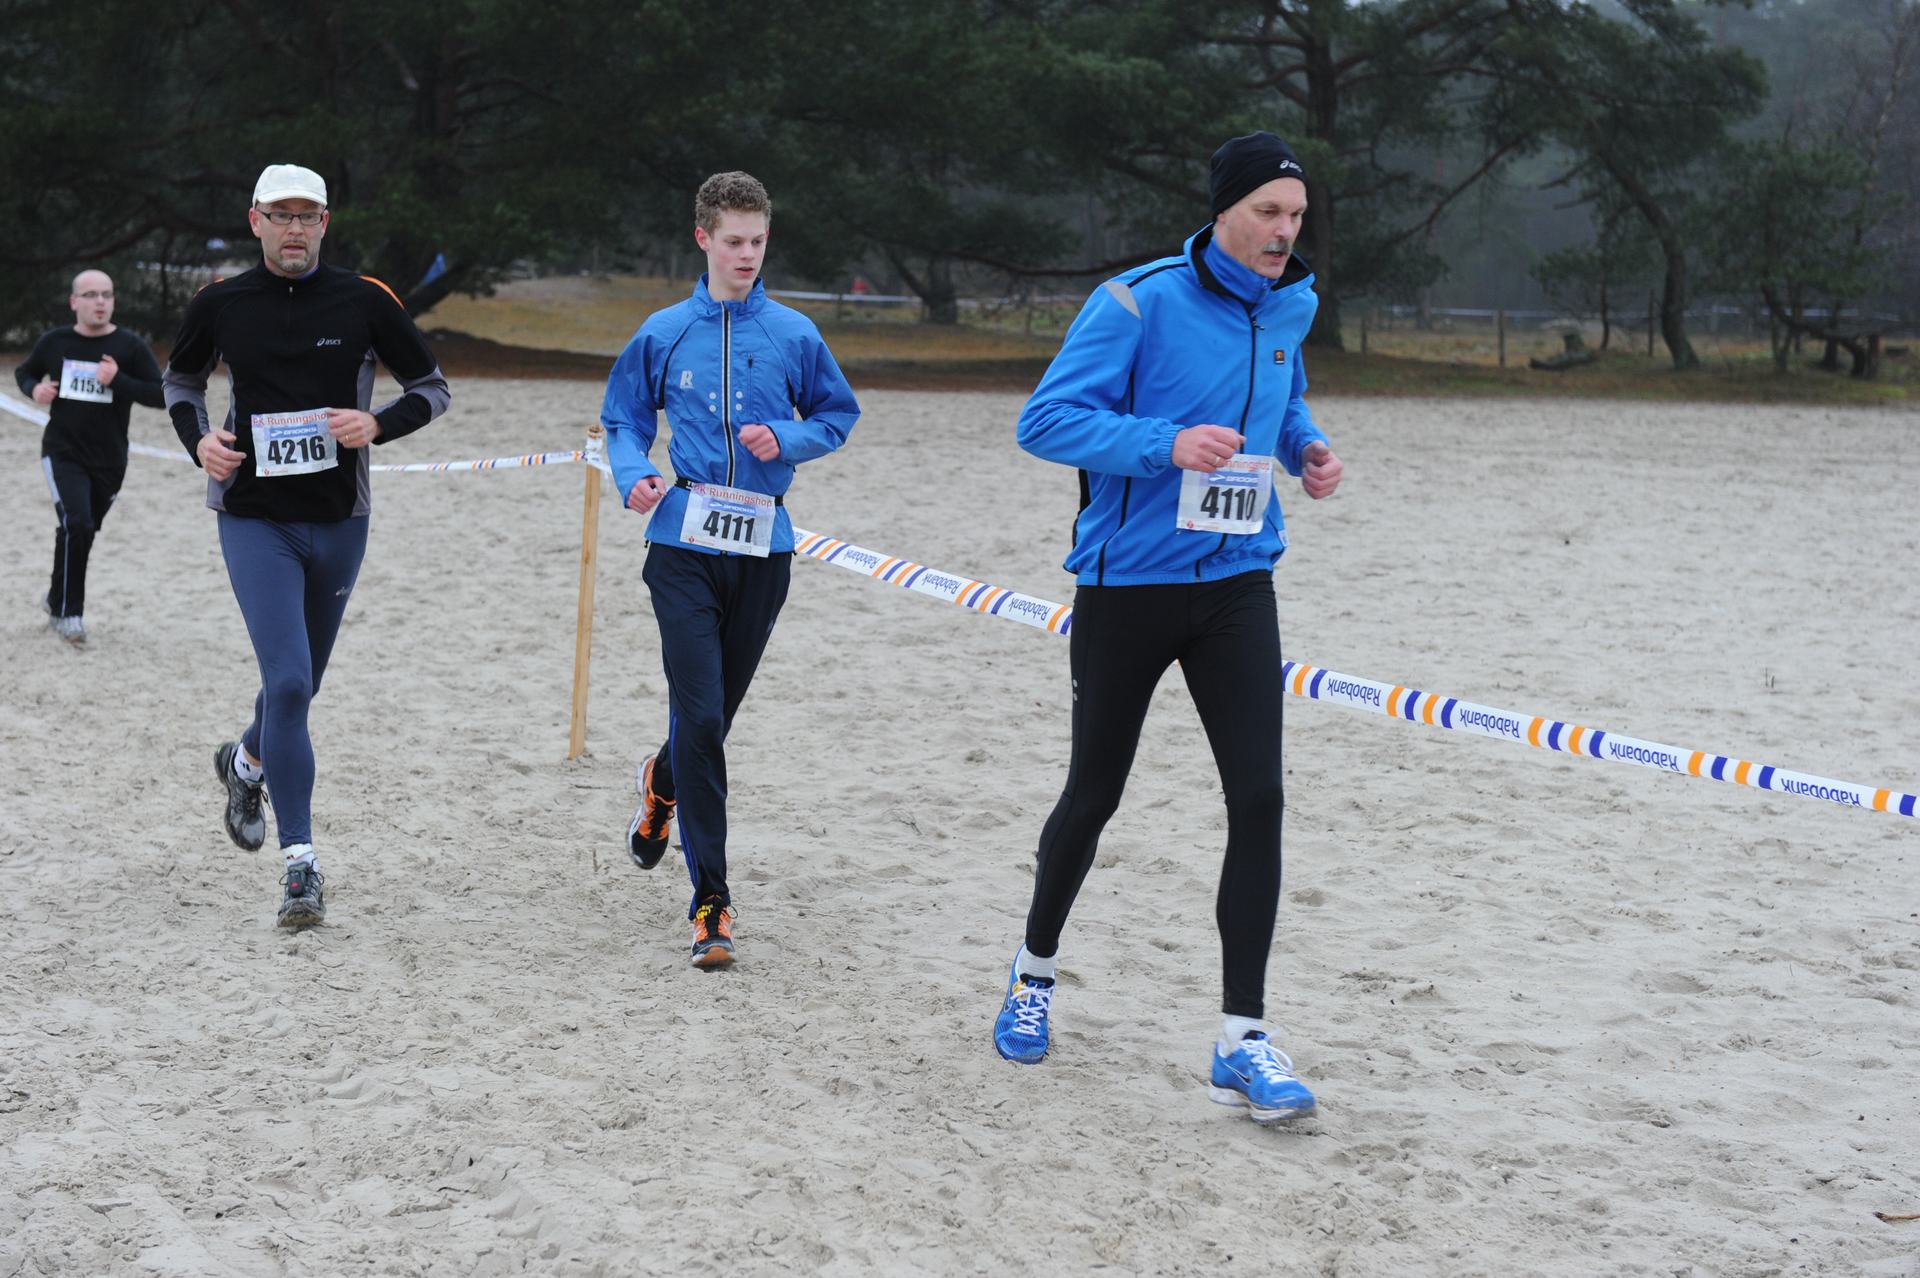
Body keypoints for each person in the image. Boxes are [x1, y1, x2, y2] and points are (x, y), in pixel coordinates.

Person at [989, 132, 1345, 1123]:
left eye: (1296, 216)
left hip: (1238, 582)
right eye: (1268, 212)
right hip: (1128, 584)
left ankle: (1243, 1039)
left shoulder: (1292, 304)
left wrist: (1307, 446)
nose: (1284, 232)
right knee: (1094, 793)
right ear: (1223, 210)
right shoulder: (1137, 301)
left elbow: (1281, 401)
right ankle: (1033, 973)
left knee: (1261, 799)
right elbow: (1044, 422)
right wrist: (1165, 445)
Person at [163, 163, 451, 927]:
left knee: (302, 684)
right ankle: (301, 867)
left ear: (325, 223)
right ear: (255, 221)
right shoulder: (220, 302)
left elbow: (432, 389)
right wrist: (200, 442)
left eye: (307, 216)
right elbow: (181, 384)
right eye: (280, 215)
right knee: (288, 683)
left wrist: (377, 424)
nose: (294, 229)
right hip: (253, 516)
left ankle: (246, 762)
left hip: (339, 518)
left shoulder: (366, 299)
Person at [602, 171, 859, 968]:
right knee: (704, 719)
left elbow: (838, 414)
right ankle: (711, 902)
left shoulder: (794, 334)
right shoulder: (664, 331)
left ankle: (662, 783)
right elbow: (622, 418)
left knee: (709, 722)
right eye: (734, 242)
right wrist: (632, 474)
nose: (747, 255)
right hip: (681, 549)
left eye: (758, 241)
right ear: (703, 240)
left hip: (764, 551)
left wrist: (790, 438)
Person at [14, 270, 166, 645]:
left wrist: (118, 381)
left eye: (107, 295)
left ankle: (55, 598)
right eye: (91, 295)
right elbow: (25, 372)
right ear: (74, 302)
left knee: (80, 529)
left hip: (110, 459)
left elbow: (161, 395)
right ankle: (71, 614)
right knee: (78, 524)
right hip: (63, 452)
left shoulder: (129, 346)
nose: (100, 302)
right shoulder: (55, 342)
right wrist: (35, 390)